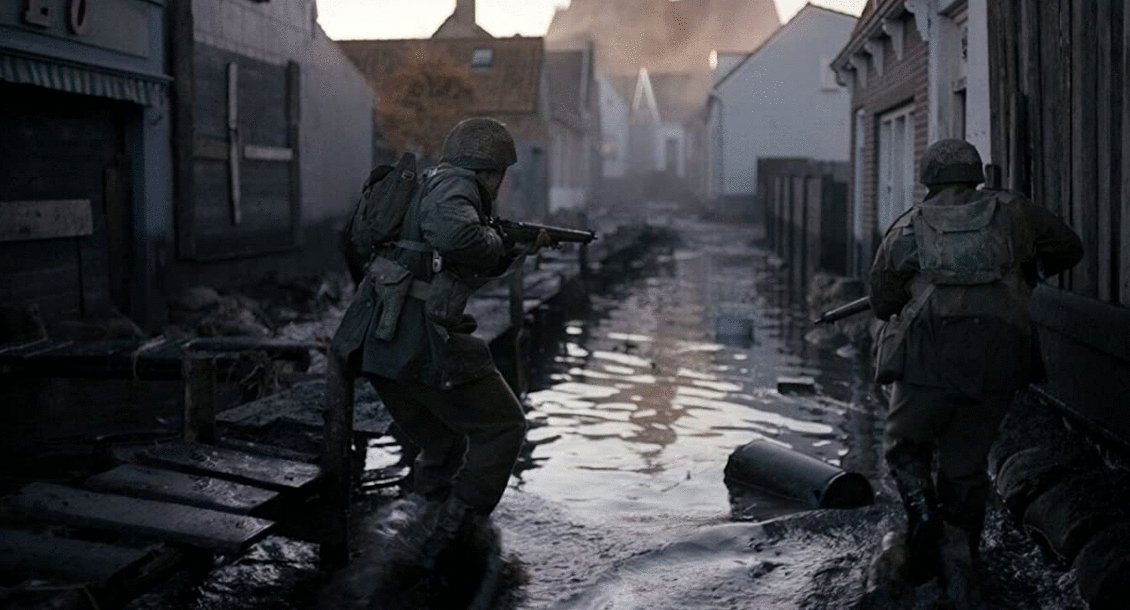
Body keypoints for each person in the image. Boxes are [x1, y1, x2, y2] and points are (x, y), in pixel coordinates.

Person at [329, 117, 548, 566]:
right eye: (500, 174)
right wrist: (497, 238)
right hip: (419, 340)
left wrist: (512, 248)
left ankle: (414, 527)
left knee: (444, 444)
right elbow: (459, 237)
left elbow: (450, 265)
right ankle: (453, 535)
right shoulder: (458, 188)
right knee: (504, 427)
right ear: (487, 170)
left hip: (379, 342)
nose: (500, 184)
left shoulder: (430, 187)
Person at [869, 139, 1083, 583]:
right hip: (998, 356)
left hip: (926, 358)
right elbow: (1069, 248)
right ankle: (964, 555)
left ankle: (924, 517)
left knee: (905, 445)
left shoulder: (907, 228)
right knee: (966, 466)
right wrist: (1021, 271)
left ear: (928, 179)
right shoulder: (1016, 213)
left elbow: (881, 301)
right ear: (976, 173)